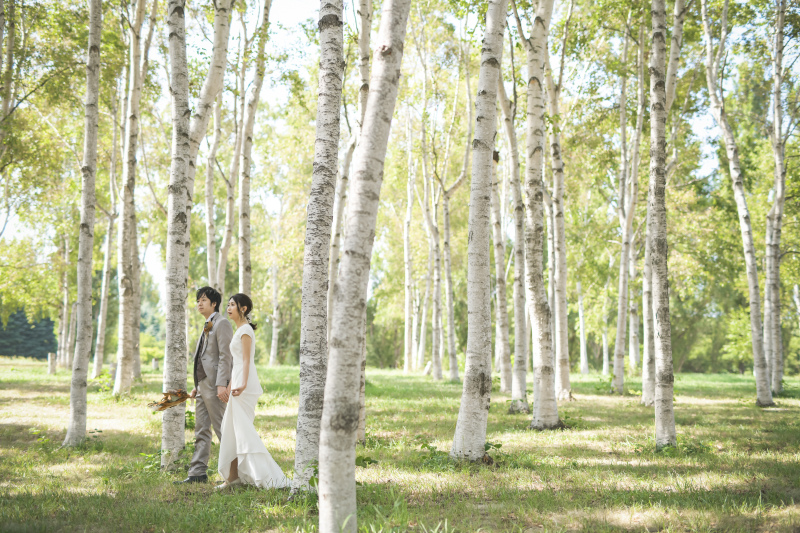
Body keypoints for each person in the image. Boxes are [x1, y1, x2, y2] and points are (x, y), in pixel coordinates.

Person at [216, 293, 289, 490]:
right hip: (238, 381)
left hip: (245, 385)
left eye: (232, 305)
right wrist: (229, 386)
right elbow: (237, 363)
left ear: (244, 308)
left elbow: (247, 360)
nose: (228, 308)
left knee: (242, 431)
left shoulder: (246, 330)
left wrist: (243, 384)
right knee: (231, 429)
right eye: (228, 305)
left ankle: (266, 477)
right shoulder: (239, 330)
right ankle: (233, 478)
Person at [175, 287, 233, 485]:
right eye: (198, 300)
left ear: (213, 303)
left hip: (215, 385)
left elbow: (226, 356)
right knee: (201, 430)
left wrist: (221, 384)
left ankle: (235, 473)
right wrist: (197, 384)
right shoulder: (207, 324)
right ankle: (197, 473)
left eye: (203, 300)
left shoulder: (222, 323)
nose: (199, 303)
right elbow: (203, 357)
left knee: (222, 429)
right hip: (202, 385)